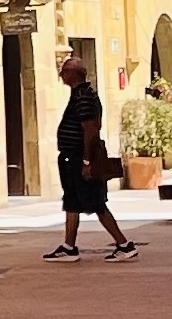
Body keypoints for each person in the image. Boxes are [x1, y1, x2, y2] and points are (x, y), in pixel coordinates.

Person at [47, 44, 139, 262]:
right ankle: (69, 246)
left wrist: (87, 160)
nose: (61, 74)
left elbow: (90, 129)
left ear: (73, 74)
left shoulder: (84, 97)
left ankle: (124, 245)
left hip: (78, 157)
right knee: (72, 201)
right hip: (72, 157)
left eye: (64, 71)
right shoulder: (80, 94)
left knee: (95, 202)